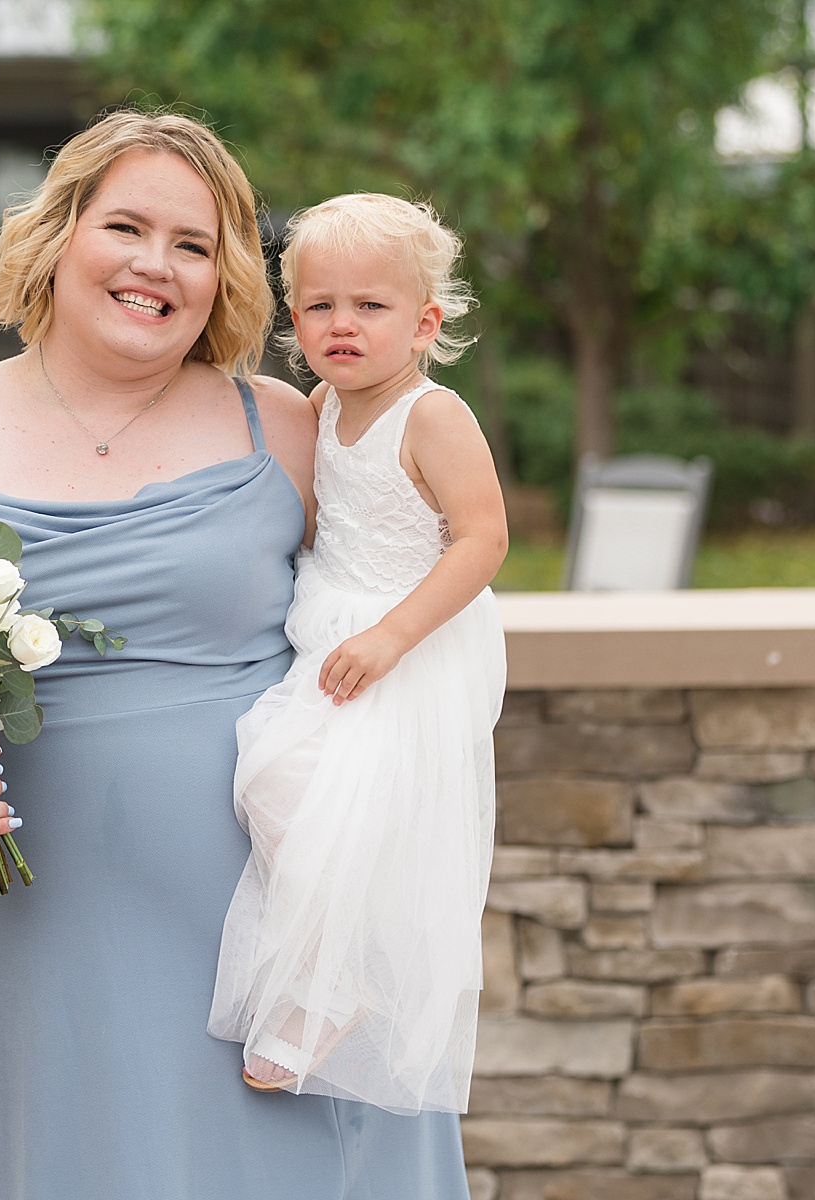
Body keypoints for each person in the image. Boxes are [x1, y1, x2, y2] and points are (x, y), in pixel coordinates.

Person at [0, 111, 473, 1198]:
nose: (155, 266)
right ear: (60, 234)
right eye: (127, 225)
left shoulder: (288, 429)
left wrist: (367, 904)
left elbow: (416, 631)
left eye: (196, 245)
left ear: (225, 280)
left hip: (289, 945)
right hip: (55, 941)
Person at [210, 192, 508, 1115]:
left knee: (339, 810)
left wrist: (391, 636)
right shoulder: (320, 403)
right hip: (331, 638)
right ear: (293, 318)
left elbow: (482, 538)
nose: (343, 325)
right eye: (319, 305)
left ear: (424, 324)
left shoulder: (433, 416)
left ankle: (333, 985)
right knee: (268, 778)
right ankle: (326, 969)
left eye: (370, 307)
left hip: (410, 644)